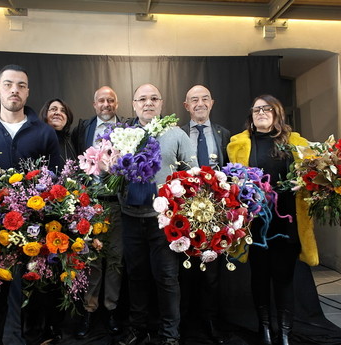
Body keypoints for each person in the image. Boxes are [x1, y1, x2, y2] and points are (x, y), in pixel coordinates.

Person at [0, 64, 62, 345]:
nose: (15, 89)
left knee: (35, 290)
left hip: (34, 227)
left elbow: (56, 180)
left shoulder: (44, 132)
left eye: (21, 85)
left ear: (28, 92)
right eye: (9, 84)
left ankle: (34, 339)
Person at [226, 94, 317, 345]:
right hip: (255, 225)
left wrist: (305, 182)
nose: (261, 112)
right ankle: (265, 329)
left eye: (267, 109)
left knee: (284, 277)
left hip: (287, 222)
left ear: (277, 114)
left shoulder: (296, 143)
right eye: (256, 109)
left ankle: (285, 332)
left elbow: (313, 179)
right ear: (251, 116)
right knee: (259, 277)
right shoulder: (238, 145)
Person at [118, 84, 196, 345]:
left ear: (162, 103)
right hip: (129, 217)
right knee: (136, 276)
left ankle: (170, 335)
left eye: (153, 98)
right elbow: (108, 171)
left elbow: (193, 174)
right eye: (142, 99)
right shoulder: (121, 135)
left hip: (163, 222)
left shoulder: (176, 134)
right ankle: (137, 328)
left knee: (166, 278)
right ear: (134, 104)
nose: (148, 103)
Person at [71, 86, 125, 338]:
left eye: (110, 100)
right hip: (90, 204)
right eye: (101, 100)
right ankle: (89, 311)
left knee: (114, 259)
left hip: (117, 203)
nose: (106, 104)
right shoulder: (83, 128)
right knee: (91, 259)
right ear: (94, 104)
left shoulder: (128, 129)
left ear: (117, 103)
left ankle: (111, 309)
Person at [179, 85, 230, 344]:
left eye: (205, 99)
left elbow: (231, 173)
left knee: (212, 271)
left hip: (215, 213)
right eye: (194, 100)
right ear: (186, 106)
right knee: (184, 269)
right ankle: (185, 321)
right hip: (183, 212)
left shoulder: (224, 134)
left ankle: (210, 320)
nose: (200, 103)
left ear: (212, 103)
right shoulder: (175, 133)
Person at [39, 98, 77, 163]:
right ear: (45, 113)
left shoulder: (73, 141)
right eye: (53, 109)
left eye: (63, 111)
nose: (58, 113)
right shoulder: (36, 139)